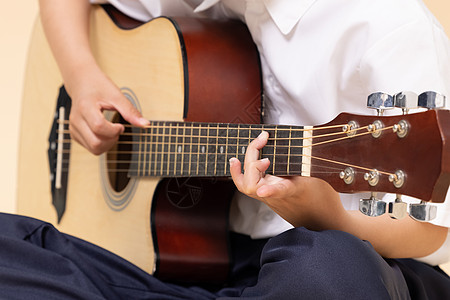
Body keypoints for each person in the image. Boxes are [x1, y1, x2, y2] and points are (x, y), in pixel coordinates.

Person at [1, 0, 449, 299]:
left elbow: (434, 228)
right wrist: (80, 76)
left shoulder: (390, 28)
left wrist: (325, 216)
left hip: (334, 266)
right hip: (190, 258)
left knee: (331, 272)